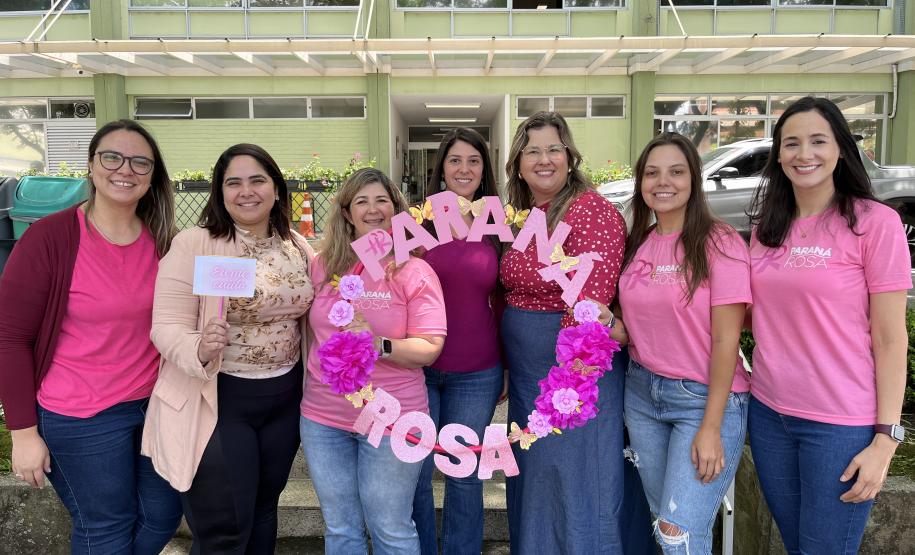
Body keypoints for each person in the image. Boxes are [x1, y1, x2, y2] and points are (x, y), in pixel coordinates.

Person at [0, 119, 182, 554]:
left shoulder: (163, 241)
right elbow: (10, 337)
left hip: (156, 407)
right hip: (81, 416)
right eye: (112, 157)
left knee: (162, 516)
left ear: (153, 175)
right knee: (104, 527)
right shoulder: (51, 238)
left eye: (141, 162)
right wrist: (23, 433)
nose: (126, 169)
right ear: (91, 165)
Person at [747, 96, 910, 554]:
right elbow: (749, 312)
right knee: (799, 546)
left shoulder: (876, 224)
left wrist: (886, 438)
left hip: (840, 424)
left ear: (840, 147)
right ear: (778, 155)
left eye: (818, 141)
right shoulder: (766, 230)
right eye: (792, 143)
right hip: (770, 415)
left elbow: (891, 338)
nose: (805, 154)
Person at [141, 143, 314, 553]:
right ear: (220, 193)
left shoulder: (296, 245)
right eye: (233, 183)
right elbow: (165, 326)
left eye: (257, 180)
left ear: (276, 189)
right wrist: (199, 347)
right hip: (219, 398)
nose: (246, 191)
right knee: (224, 528)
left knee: (264, 511)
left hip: (284, 398)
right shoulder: (195, 243)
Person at [500, 111, 628, 553]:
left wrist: (568, 382)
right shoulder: (524, 215)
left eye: (553, 149)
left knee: (574, 476)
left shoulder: (590, 210)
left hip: (572, 371)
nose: (544, 159)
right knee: (535, 473)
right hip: (525, 370)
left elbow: (591, 302)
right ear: (518, 162)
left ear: (570, 156)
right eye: (532, 151)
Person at [300, 167, 447, 554]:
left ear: (395, 208)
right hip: (323, 418)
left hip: (392, 417)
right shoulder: (323, 266)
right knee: (341, 528)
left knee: (391, 529)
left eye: (381, 199)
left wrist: (379, 343)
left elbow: (430, 348)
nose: (372, 209)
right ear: (347, 213)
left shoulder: (414, 270)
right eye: (361, 201)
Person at [617, 132, 751, 554]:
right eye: (652, 173)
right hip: (641, 395)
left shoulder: (720, 241)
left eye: (676, 172)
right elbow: (634, 331)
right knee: (665, 526)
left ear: (694, 179)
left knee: (679, 534)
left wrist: (711, 428)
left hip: (703, 401)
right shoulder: (638, 242)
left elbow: (729, 340)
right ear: (640, 182)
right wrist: (600, 322)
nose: (663, 182)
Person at [411, 127, 504, 555]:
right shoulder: (416, 222)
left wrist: (505, 363)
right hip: (417, 369)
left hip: (477, 371)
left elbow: (505, 295)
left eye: (473, 161)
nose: (463, 168)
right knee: (414, 470)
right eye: (454, 160)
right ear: (441, 169)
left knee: (463, 473)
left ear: (484, 170)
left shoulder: (498, 224)